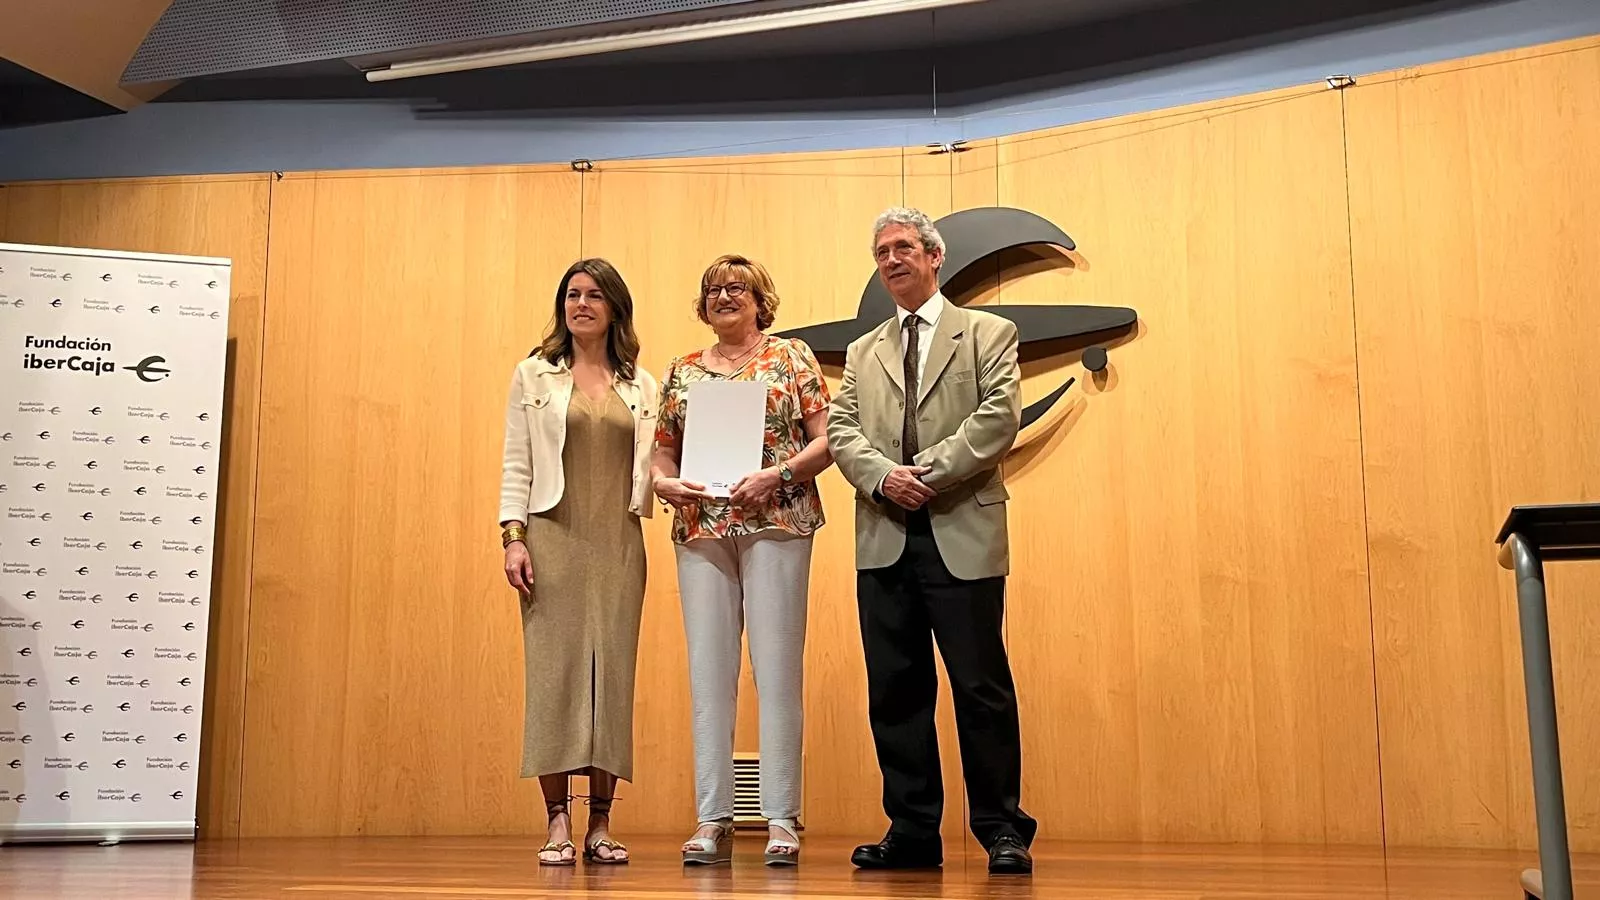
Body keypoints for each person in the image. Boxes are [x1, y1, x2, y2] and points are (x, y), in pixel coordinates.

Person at [826, 207, 1036, 875]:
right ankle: (913, 831)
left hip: (962, 529)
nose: (891, 260)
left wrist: (927, 473)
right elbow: (841, 429)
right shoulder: (863, 351)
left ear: (934, 256)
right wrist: (884, 477)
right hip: (884, 534)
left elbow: (998, 417)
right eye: (882, 251)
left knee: (981, 687)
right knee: (896, 689)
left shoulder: (989, 332)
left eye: (904, 248)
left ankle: (1002, 830)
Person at [650, 254, 834, 866]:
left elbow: (827, 441)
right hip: (701, 526)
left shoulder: (792, 357)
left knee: (777, 670)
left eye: (737, 288)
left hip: (778, 520)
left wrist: (778, 475)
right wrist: (664, 483)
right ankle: (712, 818)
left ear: (760, 301)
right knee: (709, 675)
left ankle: (781, 818)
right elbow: (663, 455)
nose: (724, 297)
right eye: (714, 290)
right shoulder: (680, 370)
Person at [498, 258, 659, 867]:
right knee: (555, 675)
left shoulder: (642, 384)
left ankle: (601, 823)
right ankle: (556, 820)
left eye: (594, 295)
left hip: (619, 542)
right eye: (572, 295)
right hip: (552, 537)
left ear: (615, 308)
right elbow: (516, 461)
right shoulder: (534, 374)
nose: (581, 305)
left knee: (610, 678)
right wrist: (513, 538)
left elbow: (659, 463)